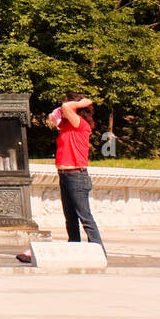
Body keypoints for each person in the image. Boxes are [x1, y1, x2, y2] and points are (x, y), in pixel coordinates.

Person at [51, 92, 105, 253]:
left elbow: (66, 107)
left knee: (85, 217)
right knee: (70, 219)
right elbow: (54, 116)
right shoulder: (66, 125)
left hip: (77, 176)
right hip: (65, 175)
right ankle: (75, 250)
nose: (63, 106)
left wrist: (83, 102)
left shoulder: (79, 123)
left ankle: (99, 251)